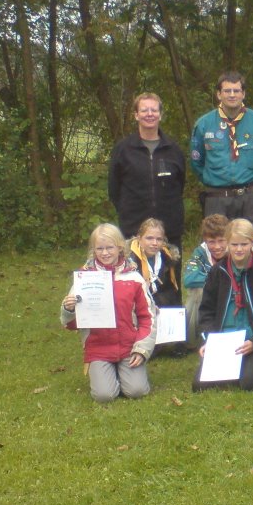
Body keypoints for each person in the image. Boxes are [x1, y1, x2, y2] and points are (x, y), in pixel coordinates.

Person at [60, 223, 156, 402]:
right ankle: (107, 374)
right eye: (100, 248)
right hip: (99, 348)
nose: (105, 253)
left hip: (129, 347)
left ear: (120, 247)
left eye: (109, 248)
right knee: (104, 396)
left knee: (137, 391)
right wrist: (69, 309)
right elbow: (69, 324)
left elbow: (148, 318)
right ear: (93, 250)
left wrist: (142, 349)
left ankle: (124, 372)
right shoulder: (84, 278)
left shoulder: (134, 278)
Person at [192, 219, 253, 392]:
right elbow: (206, 311)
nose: (239, 249)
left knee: (249, 384)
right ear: (227, 243)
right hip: (223, 340)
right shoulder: (217, 272)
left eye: (244, 244)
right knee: (199, 386)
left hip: (251, 340)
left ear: (252, 242)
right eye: (234, 244)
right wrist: (208, 341)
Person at [190, 72, 253, 225]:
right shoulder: (204, 124)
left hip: (252, 197)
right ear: (218, 94)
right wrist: (214, 180)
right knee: (217, 245)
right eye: (227, 91)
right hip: (217, 197)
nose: (232, 95)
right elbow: (197, 163)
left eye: (236, 91)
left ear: (243, 94)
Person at [108, 92, 186, 250]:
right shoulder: (123, 149)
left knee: (169, 274)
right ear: (136, 115)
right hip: (133, 229)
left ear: (160, 114)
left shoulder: (173, 149)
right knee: (134, 274)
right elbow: (114, 190)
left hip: (169, 230)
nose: (149, 114)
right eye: (144, 110)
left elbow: (180, 185)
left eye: (154, 110)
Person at [128, 218, 185, 356]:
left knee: (176, 306)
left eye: (159, 239)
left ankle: (172, 341)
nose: (154, 243)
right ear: (139, 238)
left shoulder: (168, 256)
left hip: (160, 301)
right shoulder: (128, 259)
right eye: (149, 238)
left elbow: (172, 288)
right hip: (136, 304)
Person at [182, 214, 229, 349]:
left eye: (221, 241)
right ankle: (196, 337)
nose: (217, 246)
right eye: (211, 242)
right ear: (205, 240)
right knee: (198, 292)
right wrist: (217, 280)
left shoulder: (236, 249)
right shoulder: (200, 253)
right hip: (208, 298)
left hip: (231, 297)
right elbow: (189, 279)